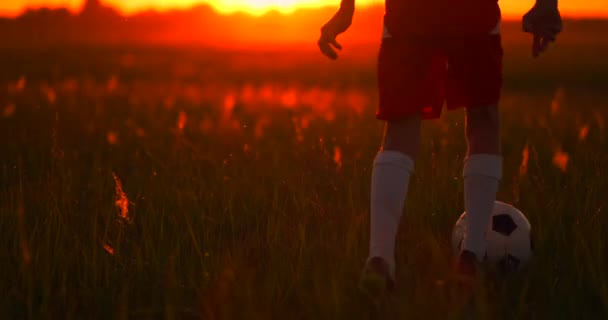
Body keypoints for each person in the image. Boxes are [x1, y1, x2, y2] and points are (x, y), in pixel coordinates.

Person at [318, 0, 562, 301]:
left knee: (400, 127)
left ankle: (380, 258)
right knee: (483, 120)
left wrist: (346, 10)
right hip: (470, 10)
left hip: (409, 11)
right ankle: (472, 256)